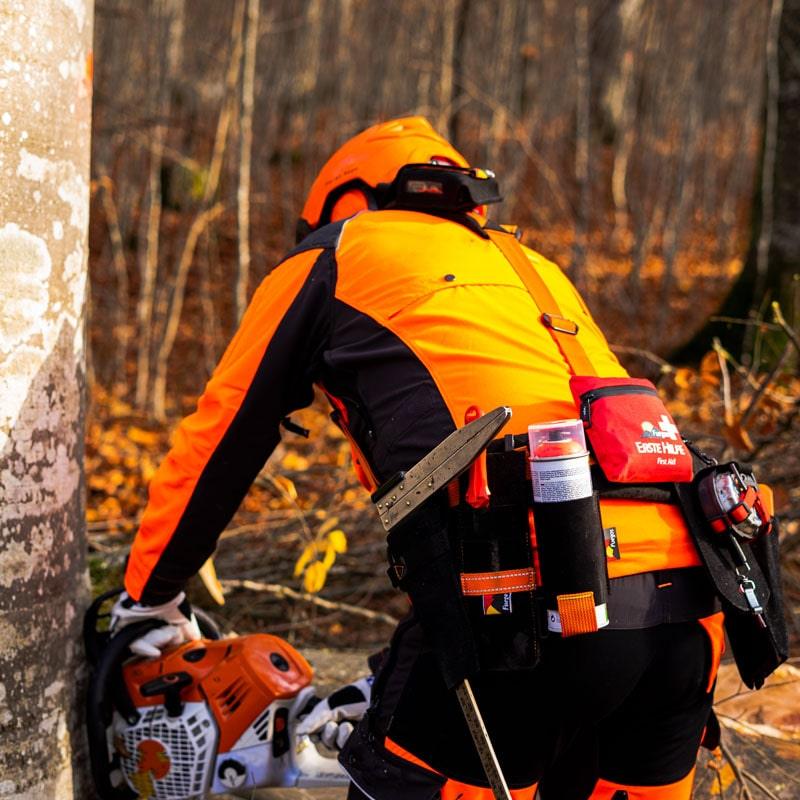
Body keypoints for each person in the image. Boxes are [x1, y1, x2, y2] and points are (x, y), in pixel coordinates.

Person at [113, 117, 728, 800]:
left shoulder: (337, 251)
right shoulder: (533, 269)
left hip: (520, 613)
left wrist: (148, 597)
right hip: (689, 612)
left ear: (345, 201)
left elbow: (221, 438)